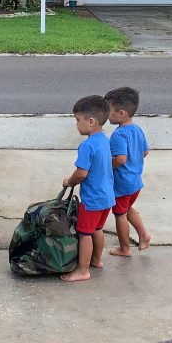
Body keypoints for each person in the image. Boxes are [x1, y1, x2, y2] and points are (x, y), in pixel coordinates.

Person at [61, 94, 115, 283]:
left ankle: (83, 270)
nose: (76, 125)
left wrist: (69, 181)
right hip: (107, 197)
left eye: (78, 120)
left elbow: (81, 173)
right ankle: (96, 260)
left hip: (92, 200)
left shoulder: (87, 146)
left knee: (85, 234)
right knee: (97, 229)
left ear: (91, 121)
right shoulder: (103, 140)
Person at [105, 86, 151, 257]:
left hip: (122, 184)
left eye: (108, 111)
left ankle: (124, 248)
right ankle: (144, 235)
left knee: (120, 215)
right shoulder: (137, 129)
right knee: (128, 208)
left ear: (122, 114)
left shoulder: (118, 135)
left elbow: (120, 159)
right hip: (135, 182)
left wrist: (106, 165)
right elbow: (145, 151)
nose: (106, 114)